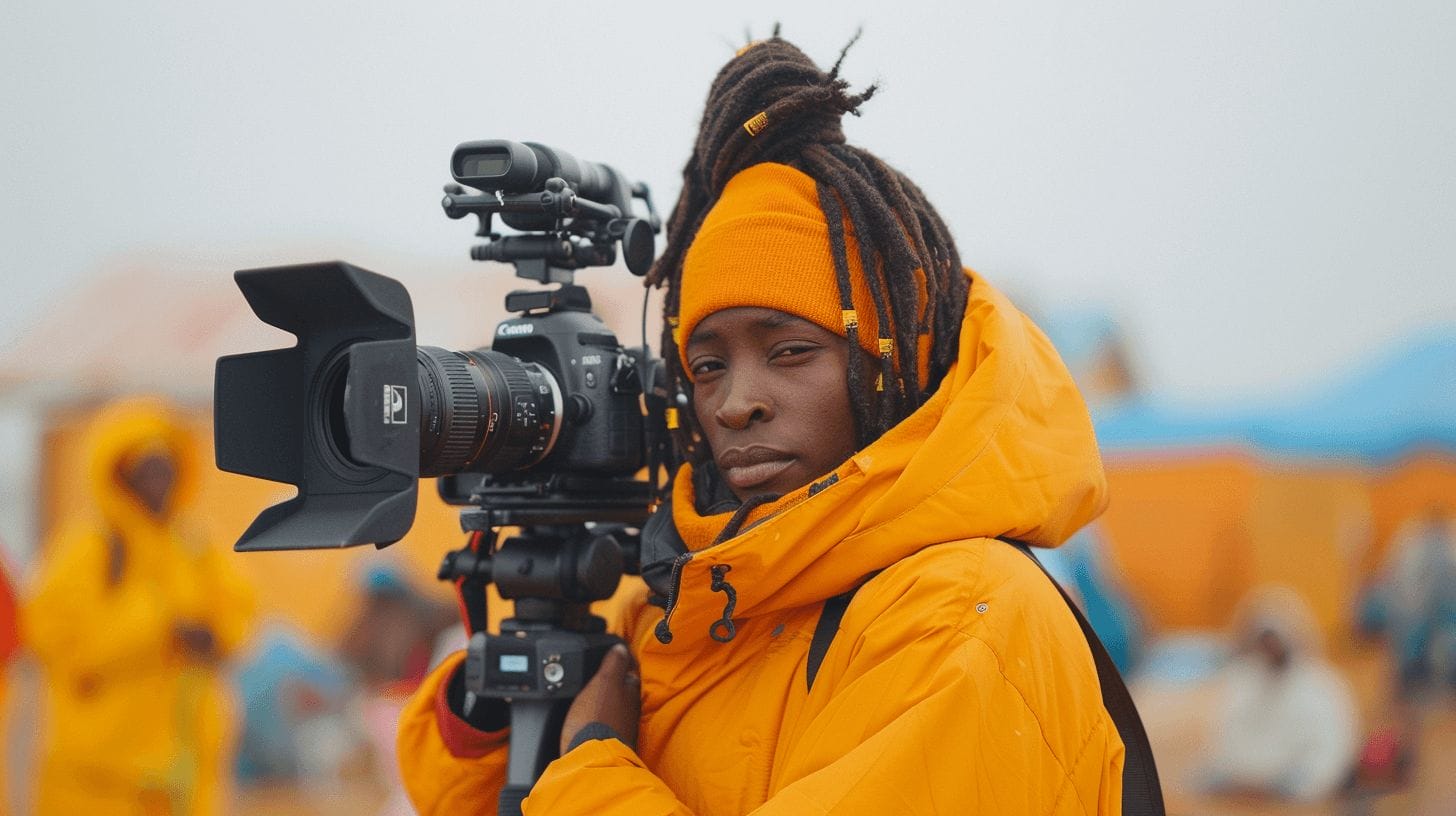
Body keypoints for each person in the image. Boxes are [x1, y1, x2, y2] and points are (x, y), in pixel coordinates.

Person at [397, 34, 1124, 814]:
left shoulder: (963, 614)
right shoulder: (698, 600)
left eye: (790, 350)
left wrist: (593, 766)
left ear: (893, 363)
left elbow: (575, 785)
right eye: (706, 365)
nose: (735, 401)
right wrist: (493, 705)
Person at [25, 396, 256, 816]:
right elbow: (61, 646)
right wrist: (157, 625)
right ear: (118, 475)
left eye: (166, 468)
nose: (160, 482)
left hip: (182, 781)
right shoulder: (87, 551)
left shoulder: (194, 547)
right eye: (146, 471)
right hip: (98, 785)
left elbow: (237, 617)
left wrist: (213, 636)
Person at [1200, 586, 1359, 802]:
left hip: (1292, 794)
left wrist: (1283, 788)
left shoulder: (1321, 686)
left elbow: (1329, 756)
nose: (1269, 646)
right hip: (1239, 791)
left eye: (1273, 638)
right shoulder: (1243, 679)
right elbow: (1223, 744)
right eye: (1262, 639)